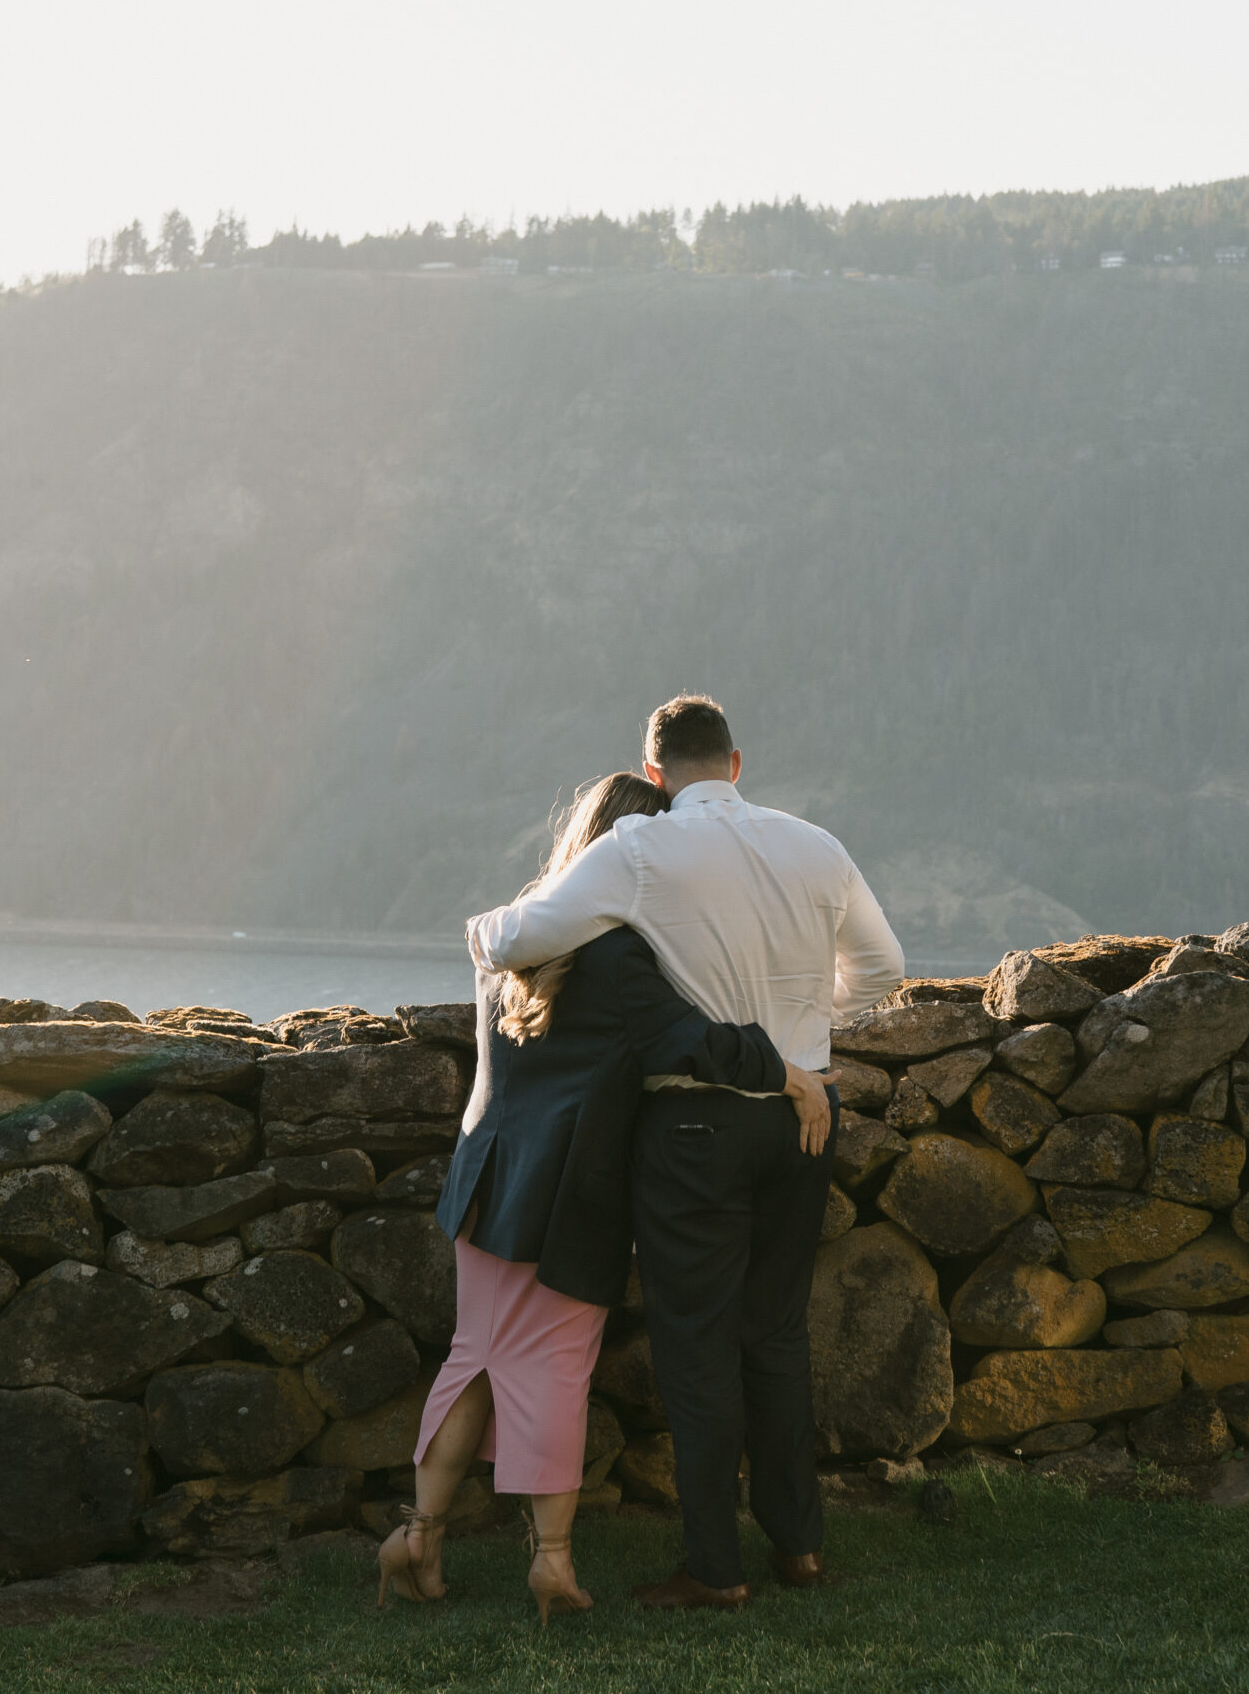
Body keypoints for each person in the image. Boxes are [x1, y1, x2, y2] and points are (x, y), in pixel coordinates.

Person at [467, 694, 903, 1611]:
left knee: (696, 1347)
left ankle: (714, 1567)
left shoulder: (637, 849)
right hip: (805, 1117)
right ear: (736, 764)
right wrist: (804, 1044)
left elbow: (519, 939)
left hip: (696, 1126)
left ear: (655, 774)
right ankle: (799, 1548)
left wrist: (481, 932)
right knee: (776, 1334)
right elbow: (882, 970)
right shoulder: (816, 844)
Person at [379, 768, 830, 1625]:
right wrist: (791, 1076)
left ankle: (418, 1533)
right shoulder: (621, 954)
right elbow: (691, 1040)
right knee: (552, 1366)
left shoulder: (519, 933)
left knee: (474, 1357)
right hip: (564, 1199)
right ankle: (550, 1561)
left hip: (485, 1181)